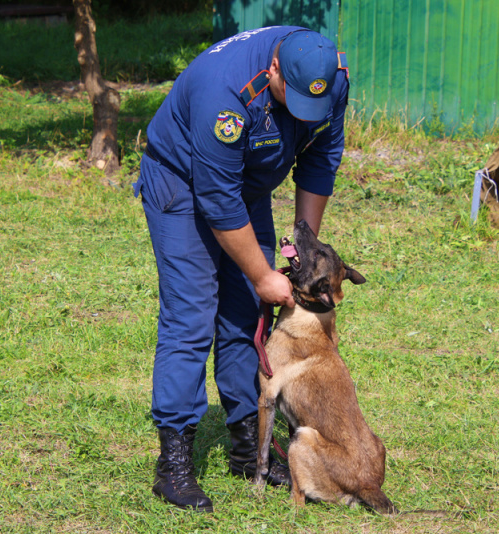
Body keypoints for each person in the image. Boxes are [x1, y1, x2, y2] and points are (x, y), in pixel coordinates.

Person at [133, 26, 349, 512]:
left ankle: (248, 443)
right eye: (290, 99)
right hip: (184, 184)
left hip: (244, 186)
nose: (302, 112)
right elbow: (216, 199)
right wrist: (261, 272)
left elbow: (320, 160)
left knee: (246, 311)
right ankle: (174, 464)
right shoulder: (225, 94)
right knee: (192, 315)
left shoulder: (328, 78)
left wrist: (301, 242)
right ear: (273, 70)